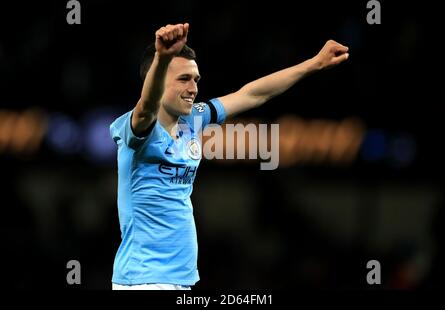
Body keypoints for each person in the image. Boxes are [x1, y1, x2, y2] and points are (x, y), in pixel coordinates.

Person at [109, 22, 349, 290]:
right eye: (183, 79)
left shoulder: (194, 120)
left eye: (196, 80)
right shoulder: (137, 130)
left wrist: (313, 64)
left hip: (178, 279)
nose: (193, 88)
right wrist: (162, 57)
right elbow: (147, 107)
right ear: (157, 80)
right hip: (143, 280)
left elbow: (252, 94)